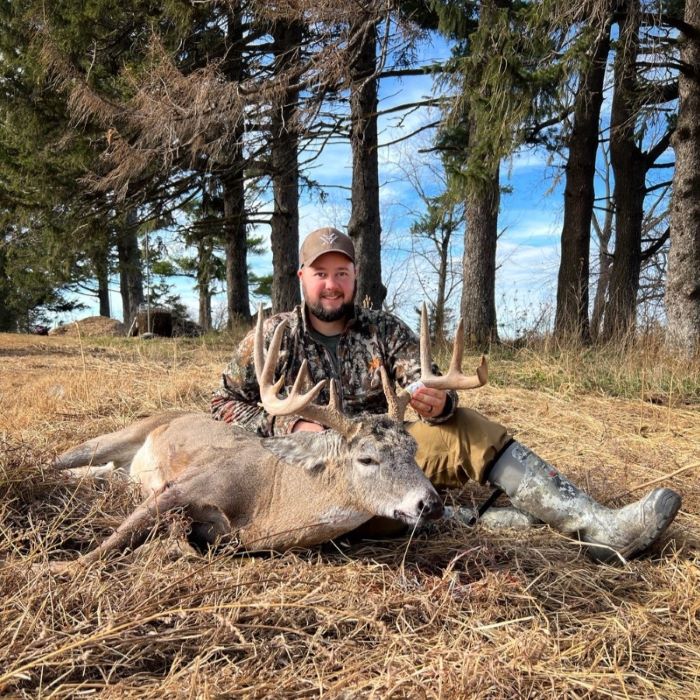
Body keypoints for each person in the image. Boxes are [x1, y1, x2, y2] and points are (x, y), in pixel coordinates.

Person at [212, 226, 681, 563]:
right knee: (373, 519)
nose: (331, 284)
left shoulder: (383, 330)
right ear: (301, 277)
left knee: (467, 428)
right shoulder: (273, 335)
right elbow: (222, 404)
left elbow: (422, 376)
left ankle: (597, 527)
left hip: (391, 453)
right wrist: (288, 423)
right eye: (321, 273)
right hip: (307, 466)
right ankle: (472, 518)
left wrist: (439, 401)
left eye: (341, 272)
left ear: (355, 277)